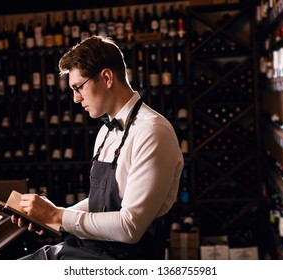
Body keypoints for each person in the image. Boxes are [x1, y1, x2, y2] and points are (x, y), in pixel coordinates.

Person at [11, 35, 184, 260]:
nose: (75, 98)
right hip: (91, 248)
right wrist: (49, 216)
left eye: (78, 87)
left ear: (106, 77)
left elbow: (130, 226)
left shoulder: (152, 132)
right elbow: (99, 205)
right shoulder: (105, 131)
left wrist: (59, 216)